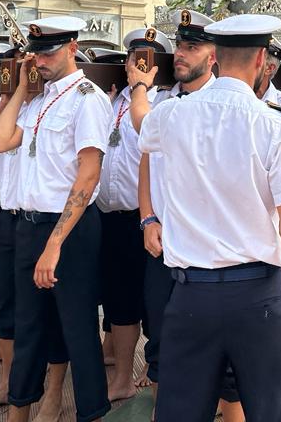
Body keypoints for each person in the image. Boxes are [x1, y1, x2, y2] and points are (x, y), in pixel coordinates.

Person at [138, 13, 281, 421]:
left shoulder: (172, 115)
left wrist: (139, 87)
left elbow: (143, 125)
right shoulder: (278, 125)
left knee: (179, 413)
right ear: (262, 59)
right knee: (272, 412)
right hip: (259, 297)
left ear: (216, 58)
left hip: (190, 294)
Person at [0, 16, 113, 422]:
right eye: (36, 52)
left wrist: (55, 244)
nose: (40, 59)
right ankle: (19, 411)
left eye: (49, 51)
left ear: (72, 48)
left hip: (68, 230)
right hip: (27, 224)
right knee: (28, 327)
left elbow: (88, 173)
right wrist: (22, 87)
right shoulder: (38, 100)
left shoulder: (88, 98)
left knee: (78, 328)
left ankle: (90, 411)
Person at [133, 10, 243, 421]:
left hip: (213, 247)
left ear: (213, 57)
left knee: (225, 353)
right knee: (161, 333)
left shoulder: (227, 106)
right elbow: (147, 158)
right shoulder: (163, 102)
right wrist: (147, 217)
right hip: (165, 240)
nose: (180, 55)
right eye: (179, 46)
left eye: (192, 47)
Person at [0, 45, 69, 419]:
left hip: (45, 217)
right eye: (23, 68)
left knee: (52, 312)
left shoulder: (52, 105)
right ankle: (12, 386)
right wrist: (7, 97)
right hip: (9, 217)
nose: (33, 71)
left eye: (35, 65)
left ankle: (54, 391)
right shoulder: (12, 105)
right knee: (9, 308)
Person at [98, 27, 171, 403]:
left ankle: (155, 370)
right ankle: (123, 374)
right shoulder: (113, 99)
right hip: (110, 214)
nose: (138, 64)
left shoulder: (167, 101)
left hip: (149, 217)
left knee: (156, 302)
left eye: (148, 58)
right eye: (133, 57)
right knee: (119, 299)